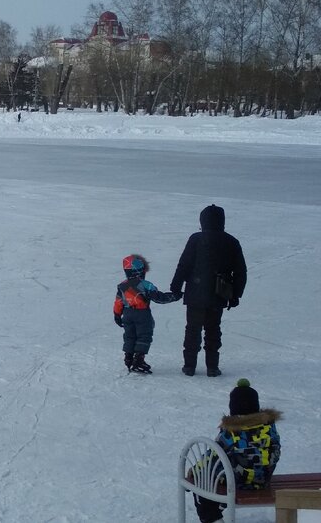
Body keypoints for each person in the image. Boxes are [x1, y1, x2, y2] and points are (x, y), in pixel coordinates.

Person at [171, 204, 247, 377]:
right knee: (213, 330)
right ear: (222, 221)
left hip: (195, 295)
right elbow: (241, 271)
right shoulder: (231, 241)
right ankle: (212, 367)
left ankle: (189, 366)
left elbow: (184, 265)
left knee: (192, 330)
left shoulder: (196, 239)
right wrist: (235, 295)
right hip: (218, 295)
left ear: (203, 220)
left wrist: (175, 287)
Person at [193, 378, 281, 523]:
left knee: (202, 483)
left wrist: (197, 469)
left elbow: (214, 455)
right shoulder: (269, 429)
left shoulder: (231, 433)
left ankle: (212, 518)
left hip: (236, 482)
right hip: (263, 480)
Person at [112, 254, 179, 374]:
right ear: (140, 270)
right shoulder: (145, 285)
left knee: (130, 335)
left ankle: (128, 357)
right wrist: (174, 296)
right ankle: (139, 360)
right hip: (142, 313)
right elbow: (159, 298)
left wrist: (117, 315)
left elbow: (118, 301)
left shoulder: (122, 285)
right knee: (144, 335)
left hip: (127, 314)